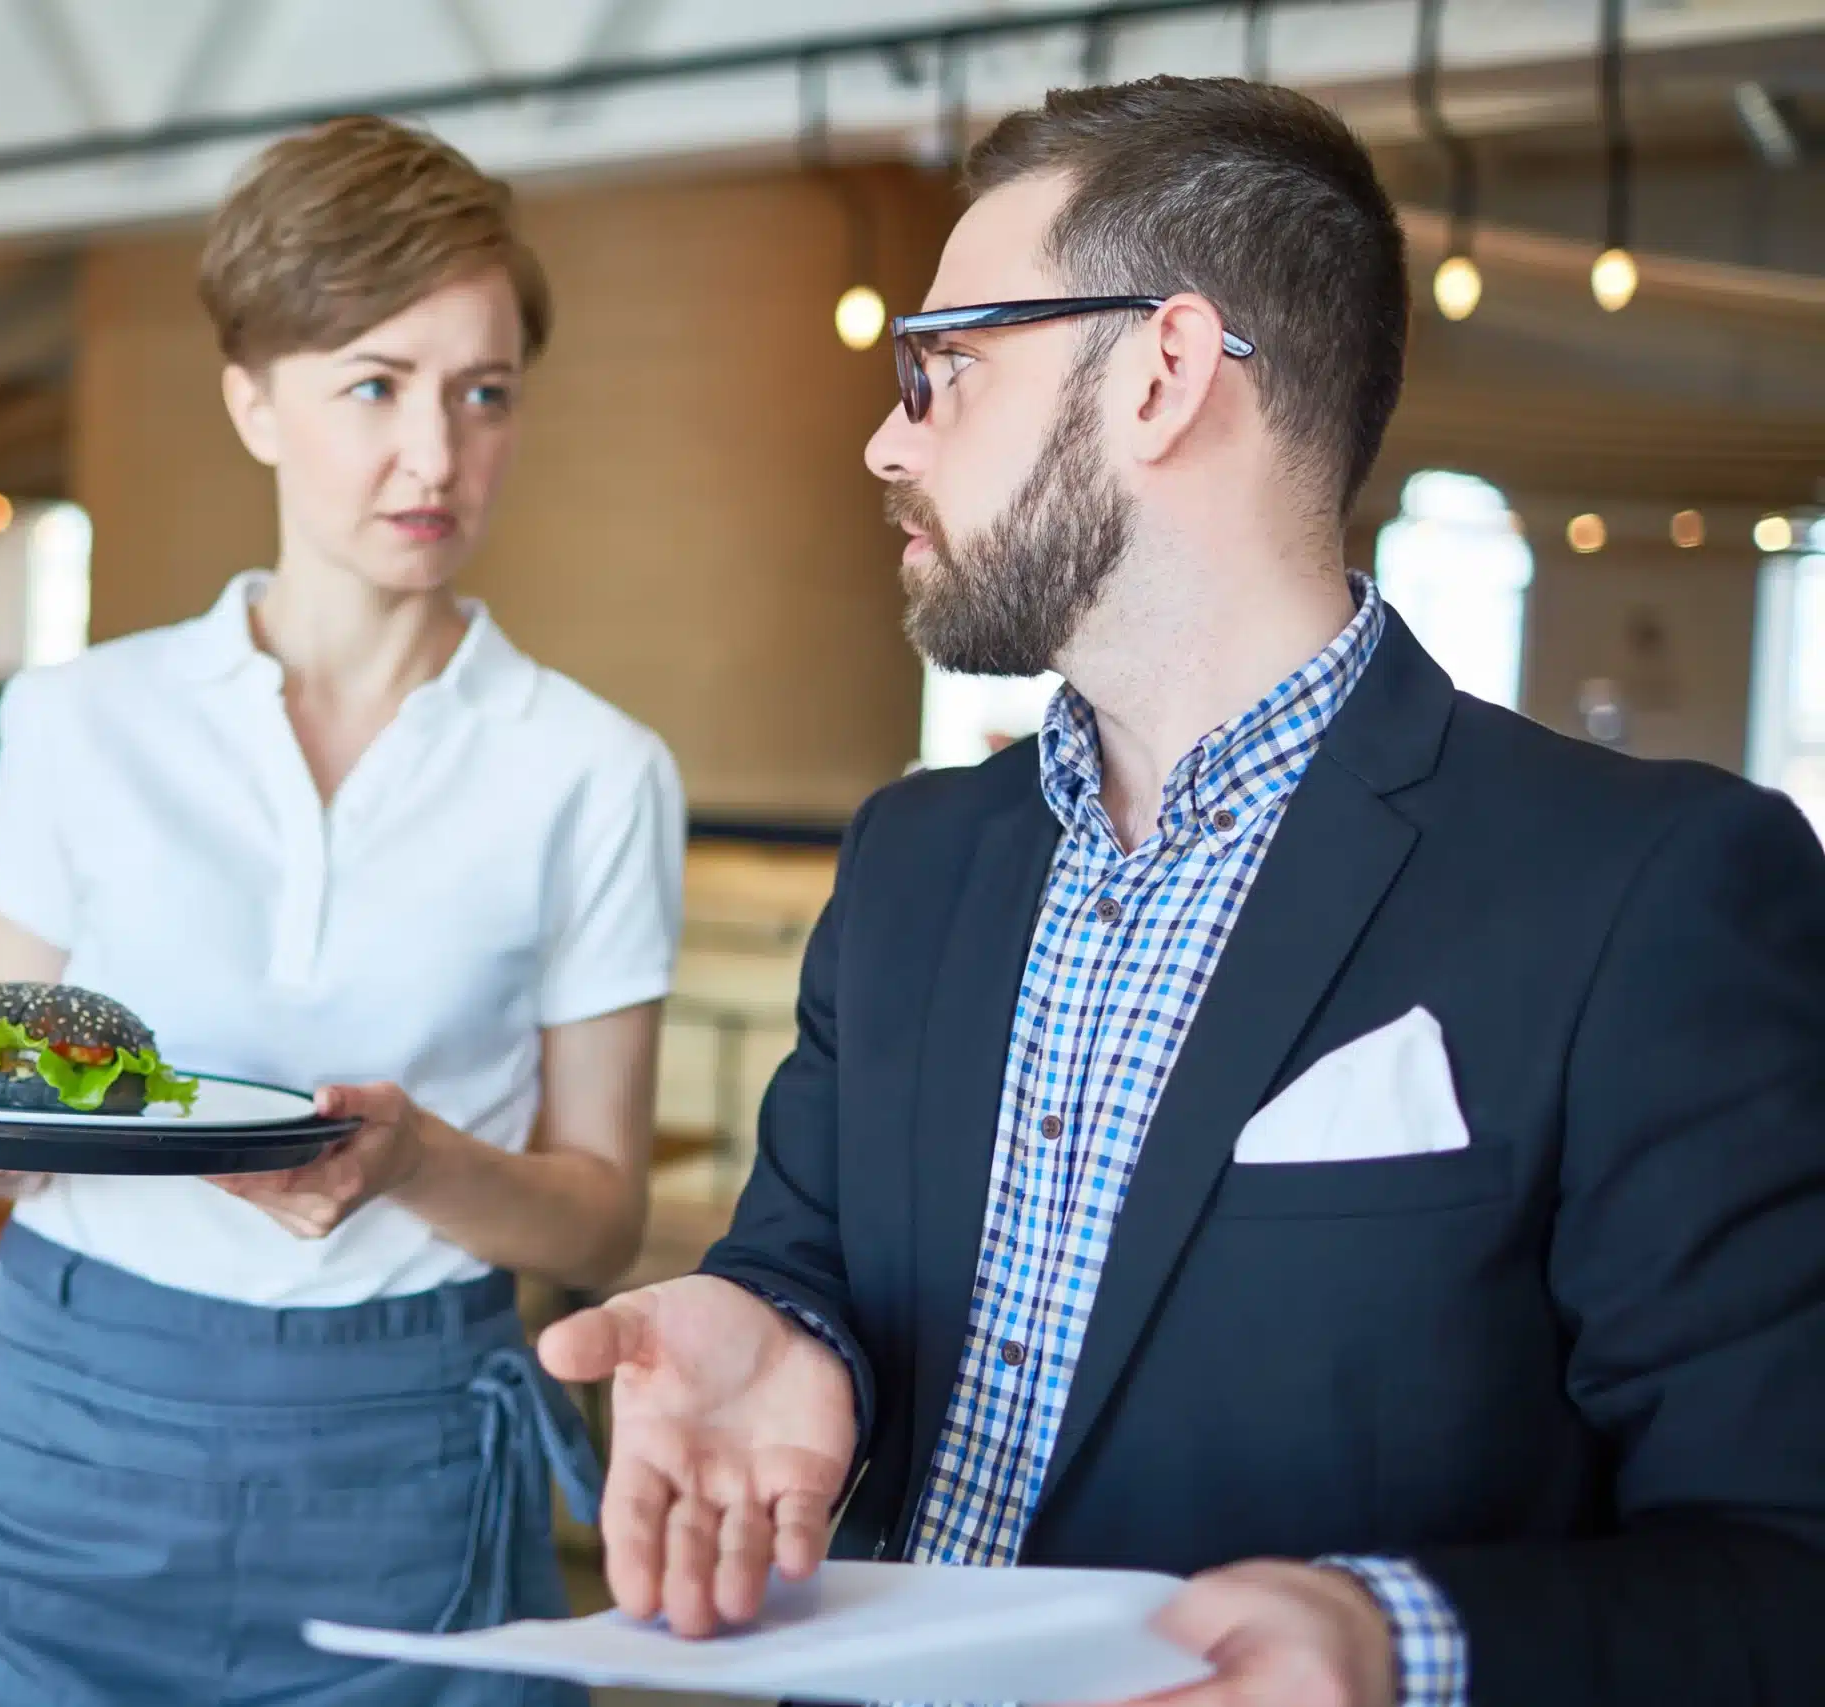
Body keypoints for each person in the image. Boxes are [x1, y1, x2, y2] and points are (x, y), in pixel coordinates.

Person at [542, 75, 1825, 1707]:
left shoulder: (1651, 892)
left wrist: (1387, 1640)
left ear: (1159, 372)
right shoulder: (916, 861)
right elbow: (818, 1261)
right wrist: (776, 1324)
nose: (885, 434)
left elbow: (1785, 1562)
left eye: (942, 369)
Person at [0, 115, 686, 1707]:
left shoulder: (596, 770)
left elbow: (599, 1220)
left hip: (403, 1466)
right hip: (67, 1440)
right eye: (373, 385)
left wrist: (418, 1160)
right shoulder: (76, 718)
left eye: (484, 392)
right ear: (253, 399)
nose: (437, 457)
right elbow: (14, 1087)